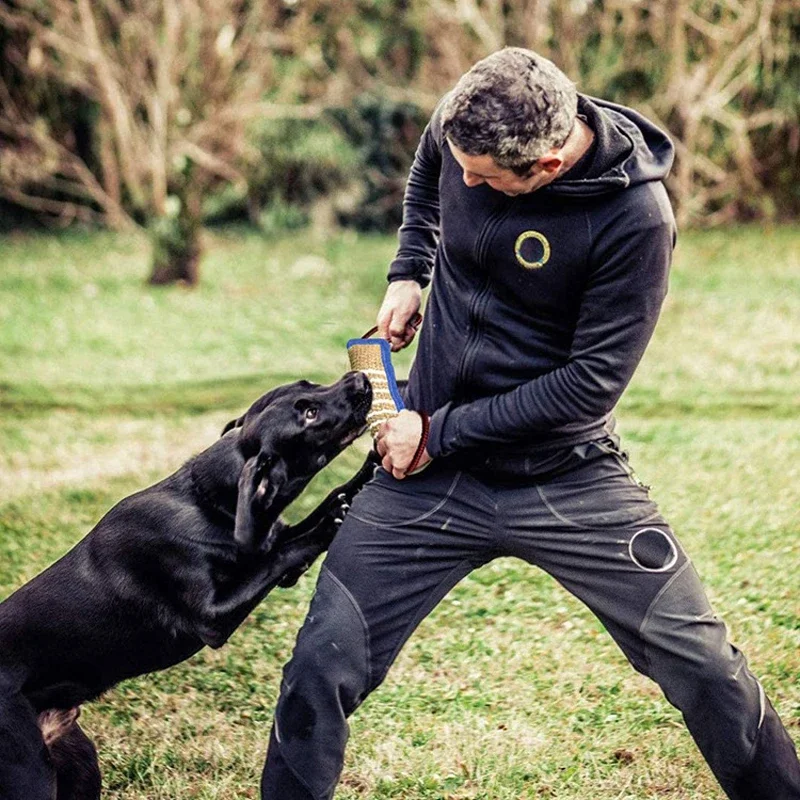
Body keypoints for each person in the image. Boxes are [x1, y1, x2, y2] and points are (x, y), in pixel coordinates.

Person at [260, 48, 800, 799]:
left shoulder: (635, 221)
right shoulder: (466, 124)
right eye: (462, 168)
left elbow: (587, 387)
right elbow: (430, 168)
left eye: (483, 179)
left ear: (545, 166)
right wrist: (410, 269)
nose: (465, 186)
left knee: (705, 666)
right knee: (320, 663)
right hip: (427, 481)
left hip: (562, 475)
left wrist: (436, 433)